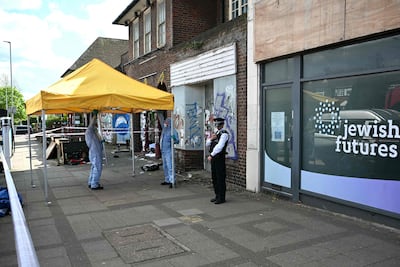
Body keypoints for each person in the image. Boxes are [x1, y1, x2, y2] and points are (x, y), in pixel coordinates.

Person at [206, 117, 229, 204]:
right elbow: (207, 143)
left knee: (220, 178)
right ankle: (217, 195)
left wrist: (212, 155)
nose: (217, 126)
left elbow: (220, 146)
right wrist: (211, 139)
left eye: (218, 124)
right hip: (214, 158)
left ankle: (221, 197)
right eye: (216, 124)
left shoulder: (224, 134)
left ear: (222, 124)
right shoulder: (215, 133)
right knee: (214, 177)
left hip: (219, 158)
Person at [85, 112, 104, 190]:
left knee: (94, 167)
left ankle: (91, 182)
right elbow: (92, 123)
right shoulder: (90, 130)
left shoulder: (92, 131)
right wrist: (95, 115)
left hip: (94, 151)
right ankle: (94, 184)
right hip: (95, 151)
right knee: (97, 167)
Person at [160, 117, 179, 188]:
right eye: (165, 122)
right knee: (165, 166)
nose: (165, 124)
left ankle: (172, 181)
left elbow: (177, 141)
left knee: (170, 166)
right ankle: (167, 179)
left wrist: (173, 138)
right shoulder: (164, 130)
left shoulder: (172, 131)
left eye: (167, 122)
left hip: (169, 151)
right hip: (164, 151)